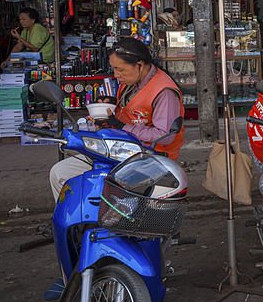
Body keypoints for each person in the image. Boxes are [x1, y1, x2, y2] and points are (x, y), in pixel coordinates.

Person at [48, 38, 185, 202]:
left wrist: (122, 126)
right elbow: (128, 113)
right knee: (60, 172)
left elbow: (165, 135)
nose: (115, 75)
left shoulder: (164, 92)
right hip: (121, 149)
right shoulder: (130, 82)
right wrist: (109, 114)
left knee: (74, 176)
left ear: (139, 65)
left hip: (149, 159)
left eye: (120, 69)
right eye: (114, 69)